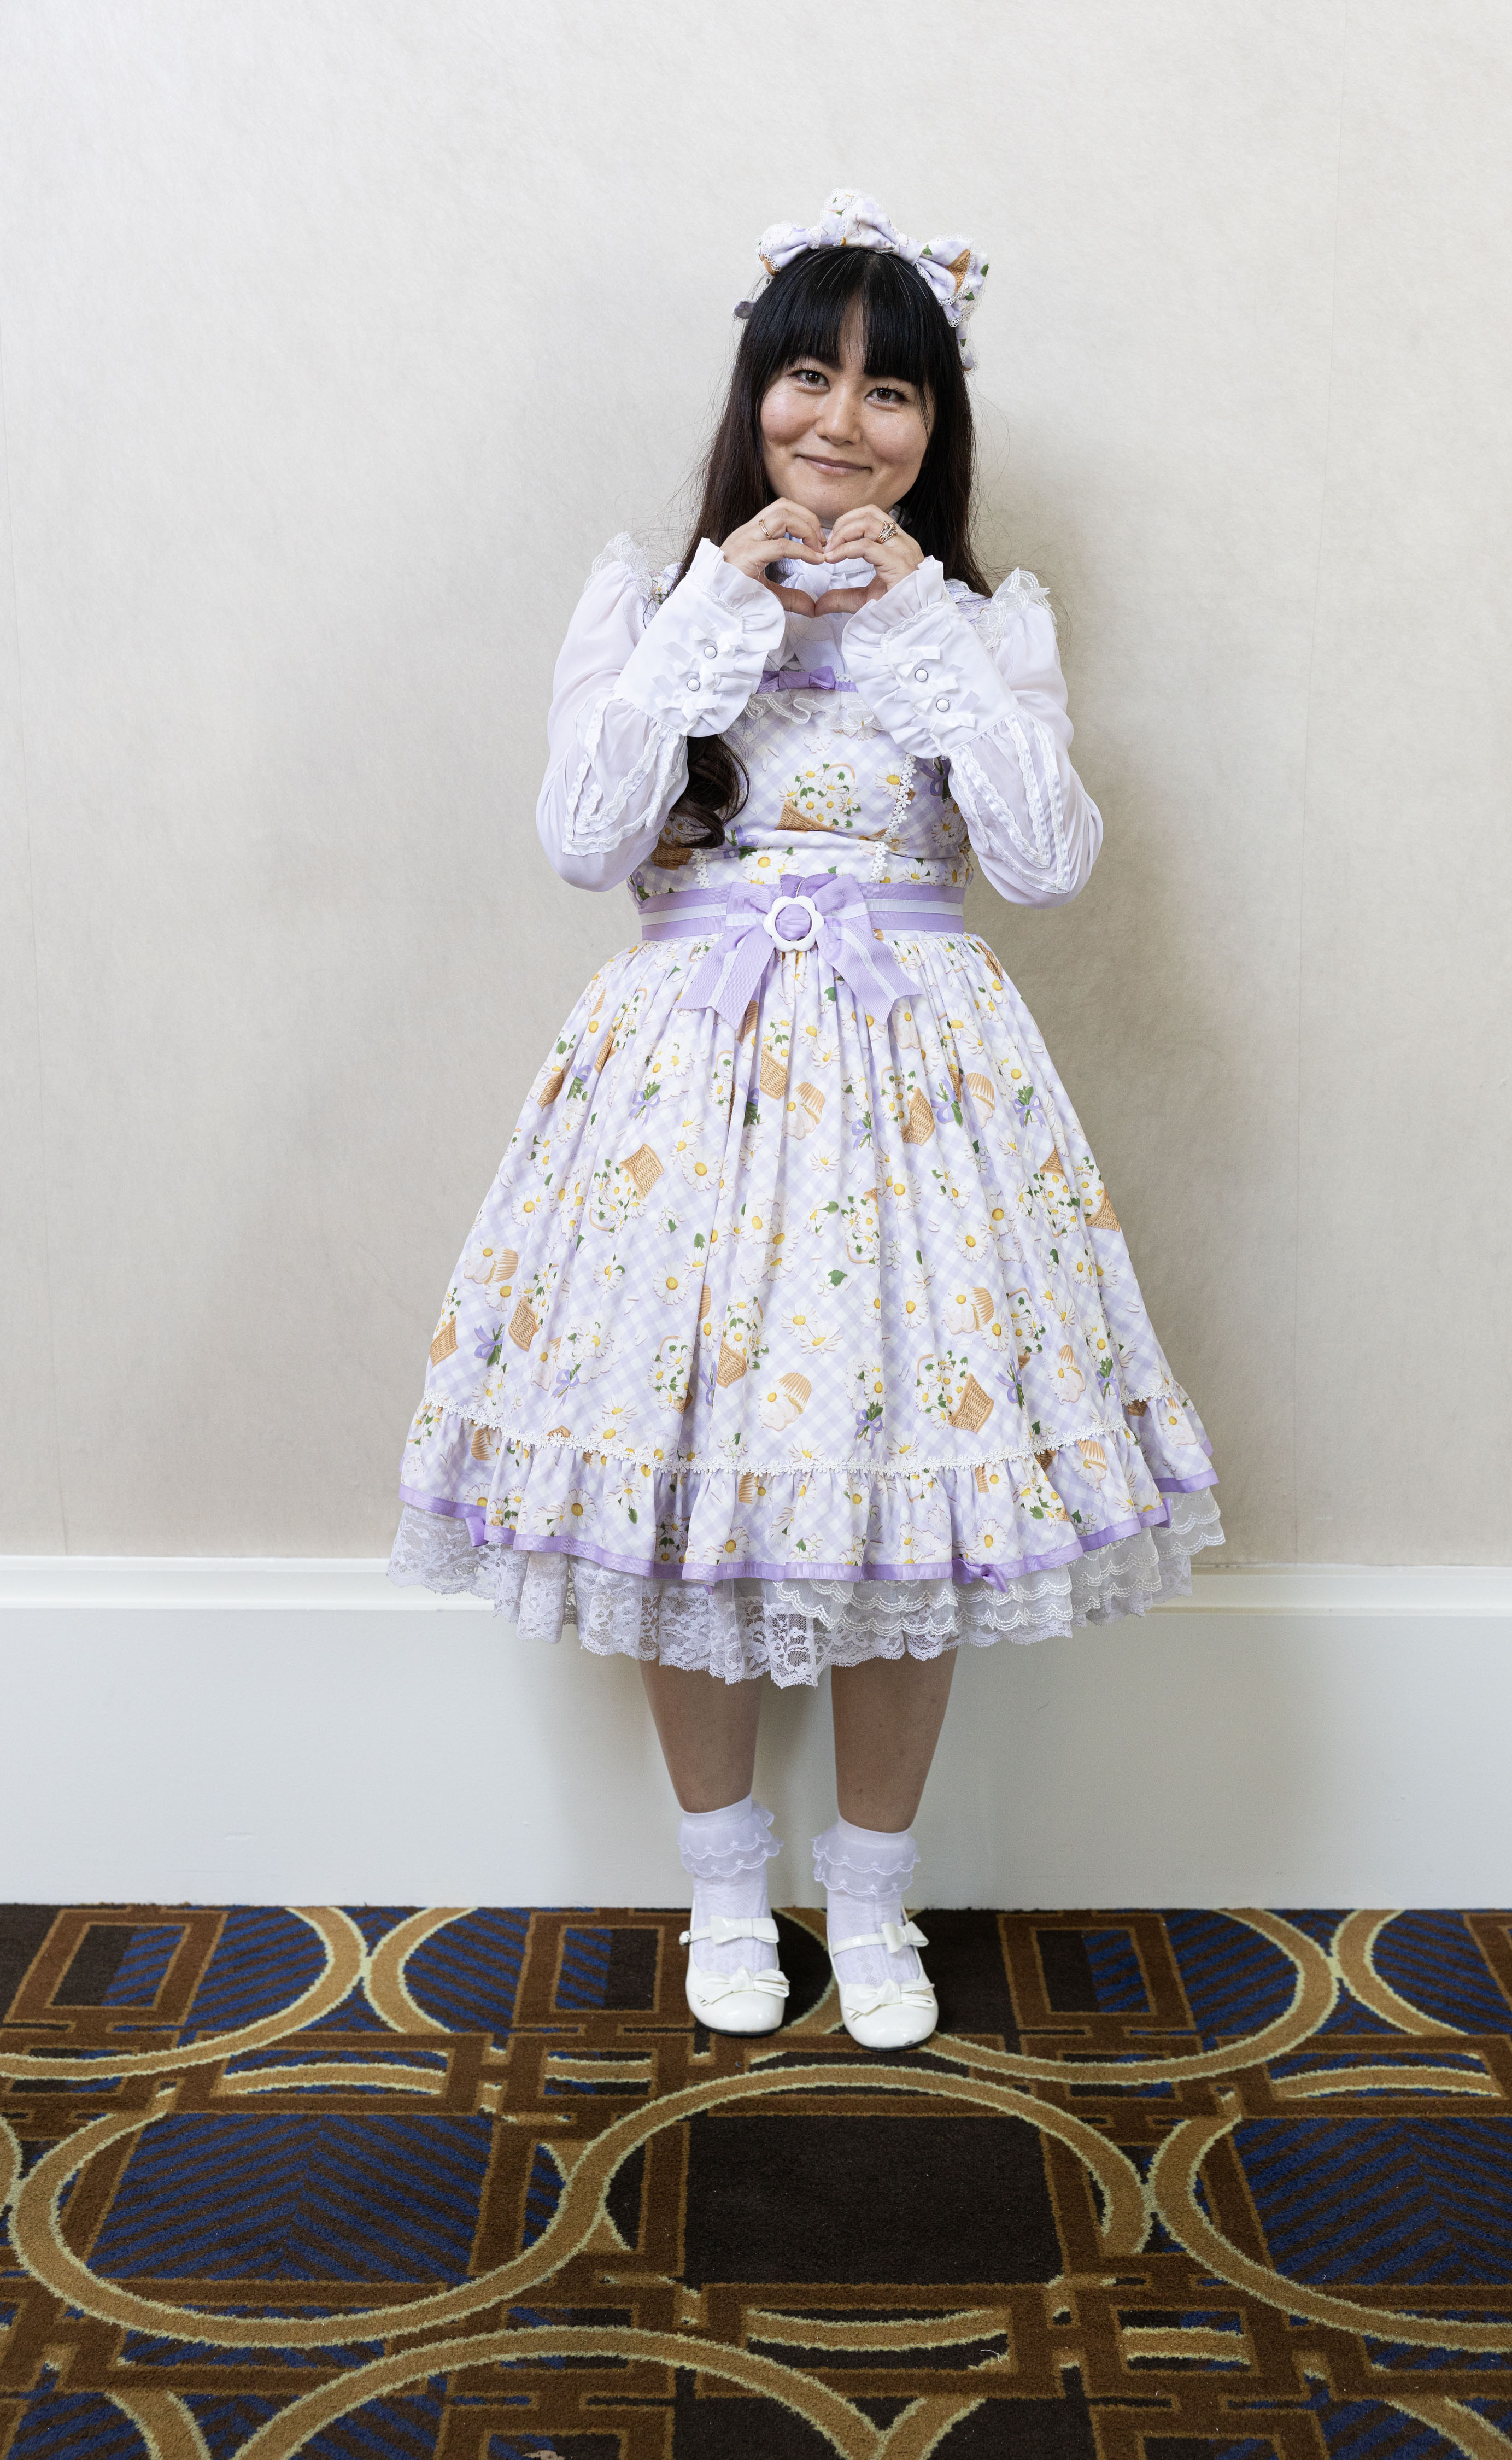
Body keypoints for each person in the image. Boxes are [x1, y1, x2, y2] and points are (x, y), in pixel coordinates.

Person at [389, 190, 1223, 2051]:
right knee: (686, 1498)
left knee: (912, 1497)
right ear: (753, 393)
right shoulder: (650, 605)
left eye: (890, 389)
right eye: (808, 377)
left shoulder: (981, 628)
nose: (842, 420)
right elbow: (583, 841)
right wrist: (719, 606)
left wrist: (915, 616)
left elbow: (1044, 859)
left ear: (936, 423)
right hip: (686, 1094)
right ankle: (720, 1884)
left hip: (917, 1099)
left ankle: (870, 1894)